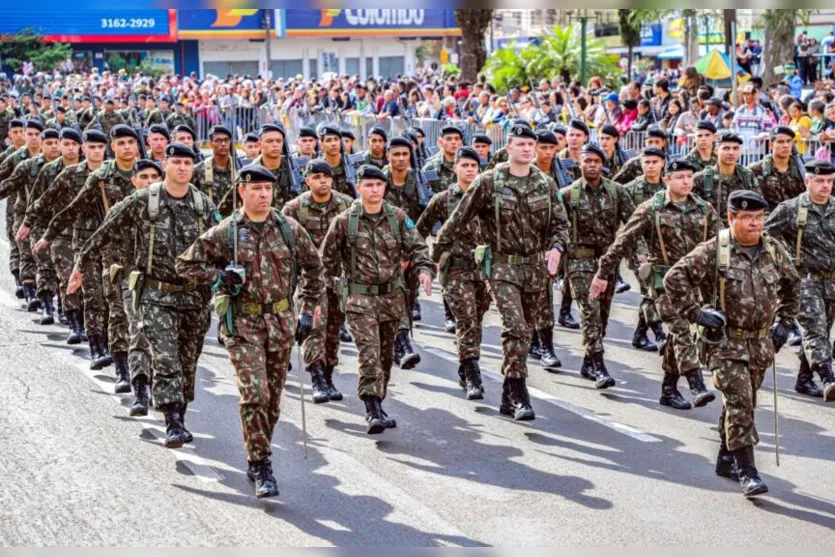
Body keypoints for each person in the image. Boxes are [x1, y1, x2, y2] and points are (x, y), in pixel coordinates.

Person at [176, 164, 324, 498]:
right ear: (242, 191)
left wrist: (306, 311)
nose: (263, 195)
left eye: (267, 189)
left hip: (281, 322)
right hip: (242, 324)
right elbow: (185, 263)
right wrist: (218, 277)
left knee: (271, 399)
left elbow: (315, 269)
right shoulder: (226, 231)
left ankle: (259, 447)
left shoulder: (289, 229)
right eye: (255, 189)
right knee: (254, 393)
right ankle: (261, 464)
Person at [68, 143, 218, 449]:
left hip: (193, 297)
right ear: (166, 164)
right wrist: (81, 265)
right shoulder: (143, 200)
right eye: (176, 162)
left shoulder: (204, 206)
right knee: (164, 358)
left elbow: (223, 245)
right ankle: (171, 420)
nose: (182, 168)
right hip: (155, 294)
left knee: (188, 362)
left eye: (187, 163)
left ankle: (180, 411)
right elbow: (106, 230)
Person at [664, 190, 799, 497]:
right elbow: (675, 278)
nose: (755, 224)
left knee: (744, 399)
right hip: (726, 344)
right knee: (741, 403)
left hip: (761, 344)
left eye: (759, 217)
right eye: (748, 218)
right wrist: (697, 313)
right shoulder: (716, 249)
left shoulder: (773, 249)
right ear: (731, 217)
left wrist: (785, 323)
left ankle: (726, 456)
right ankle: (747, 470)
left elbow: (793, 285)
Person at [435, 125, 570, 421]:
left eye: (530, 144)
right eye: (520, 144)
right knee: (516, 327)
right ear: (507, 148)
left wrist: (557, 248)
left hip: (535, 268)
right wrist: (431, 259)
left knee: (525, 331)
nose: (526, 149)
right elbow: (457, 220)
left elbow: (561, 224)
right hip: (501, 265)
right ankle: (521, 393)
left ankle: (509, 393)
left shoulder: (545, 183)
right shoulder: (488, 182)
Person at [593, 159, 719, 410]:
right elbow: (623, 240)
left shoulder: (704, 209)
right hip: (664, 283)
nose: (685, 182)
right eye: (679, 177)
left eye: (689, 177)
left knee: (678, 336)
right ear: (667, 180)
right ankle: (696, 383)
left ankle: (669, 389)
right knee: (682, 329)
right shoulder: (652, 208)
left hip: (695, 283)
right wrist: (603, 272)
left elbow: (721, 242)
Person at [320, 165, 434, 434]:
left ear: (384, 188)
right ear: (358, 188)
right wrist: (319, 297)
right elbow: (324, 263)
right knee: (369, 353)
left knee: (385, 357)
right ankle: (372, 409)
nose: (374, 190)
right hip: (359, 298)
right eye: (368, 185)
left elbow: (418, 247)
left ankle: (378, 402)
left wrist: (425, 270)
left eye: (379, 185)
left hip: (391, 298)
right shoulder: (344, 221)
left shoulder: (397, 218)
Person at [36, 125, 140, 372]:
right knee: (96, 299)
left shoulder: (145, 174)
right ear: (113, 147)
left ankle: (125, 360)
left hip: (134, 251)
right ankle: (98, 349)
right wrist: (48, 235)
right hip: (94, 247)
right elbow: (71, 209)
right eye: (121, 143)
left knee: (122, 309)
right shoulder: (100, 178)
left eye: (131, 142)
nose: (127, 147)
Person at [416, 147, 490, 399]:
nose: (470, 170)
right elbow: (419, 230)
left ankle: (464, 363)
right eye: (465, 165)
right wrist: (423, 262)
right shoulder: (443, 199)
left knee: (477, 320)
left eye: (474, 166)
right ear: (455, 168)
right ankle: (472, 374)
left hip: (483, 269)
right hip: (454, 269)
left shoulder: (488, 198)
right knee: (466, 319)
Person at [561, 144, 636, 387]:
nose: (592, 165)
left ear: (602, 164)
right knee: (589, 310)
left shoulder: (617, 192)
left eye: (596, 161)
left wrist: (640, 255)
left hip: (606, 262)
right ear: (579, 163)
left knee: (602, 314)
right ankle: (599, 365)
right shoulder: (568, 194)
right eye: (587, 161)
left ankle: (587, 361)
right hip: (579, 261)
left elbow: (633, 226)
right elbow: (556, 229)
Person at [26, 130, 107, 345]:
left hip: (102, 239)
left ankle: (98, 330)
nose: (96, 151)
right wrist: (30, 225)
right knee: (67, 279)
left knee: (100, 289)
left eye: (100, 147)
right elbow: (44, 201)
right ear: (85, 149)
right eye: (92, 146)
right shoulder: (69, 174)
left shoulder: (111, 174)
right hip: (65, 236)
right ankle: (75, 325)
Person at [763, 159, 835, 402]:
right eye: (820, 181)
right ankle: (828, 378)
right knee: (815, 330)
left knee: (822, 330)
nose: (825, 186)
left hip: (831, 282)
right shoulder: (791, 209)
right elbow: (764, 235)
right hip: (804, 281)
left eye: (829, 181)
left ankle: (804, 379)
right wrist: (782, 259)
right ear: (808, 181)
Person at [281, 159, 352, 403]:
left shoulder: (345, 204)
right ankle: (317, 377)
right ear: (307, 180)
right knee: (315, 325)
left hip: (337, 277)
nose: (323, 181)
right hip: (309, 277)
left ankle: (329, 374)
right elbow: (283, 244)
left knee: (334, 328)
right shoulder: (293, 208)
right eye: (317, 176)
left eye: (327, 176)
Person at [16, 128, 80, 325]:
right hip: (44, 224)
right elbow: (38, 200)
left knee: (66, 271)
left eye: (73, 144)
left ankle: (64, 308)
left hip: (74, 228)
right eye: (65, 144)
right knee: (45, 266)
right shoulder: (48, 170)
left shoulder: (86, 169)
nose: (69, 148)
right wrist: (27, 223)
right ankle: (46, 306)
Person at [382, 137, 427, 368]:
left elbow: (425, 219)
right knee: (394, 296)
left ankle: (398, 339)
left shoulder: (418, 181)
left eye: (404, 154)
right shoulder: (379, 180)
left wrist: (413, 254)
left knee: (408, 297)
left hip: (411, 248)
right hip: (383, 250)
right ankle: (402, 343)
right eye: (395, 154)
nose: (400, 159)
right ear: (388, 155)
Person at [0, 120, 44, 307]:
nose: (33, 138)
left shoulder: (49, 157)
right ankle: (25, 283)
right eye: (29, 134)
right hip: (19, 207)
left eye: (37, 134)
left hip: (44, 211)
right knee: (18, 244)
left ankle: (42, 289)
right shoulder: (15, 158)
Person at [692, 131, 761, 226]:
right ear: (716, 151)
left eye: (735, 148)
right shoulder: (701, 179)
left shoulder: (747, 176)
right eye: (726, 148)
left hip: (742, 231)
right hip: (713, 233)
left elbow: (758, 205)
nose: (731, 153)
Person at [748, 126, 806, 211]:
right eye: (780, 142)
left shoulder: (802, 170)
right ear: (771, 145)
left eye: (788, 141)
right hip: (767, 220)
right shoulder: (755, 170)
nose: (785, 145)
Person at [193, 125, 239, 208]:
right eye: (218, 141)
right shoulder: (199, 170)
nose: (223, 144)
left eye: (226, 140)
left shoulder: (238, 169)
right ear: (210, 144)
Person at [422, 125, 462, 194]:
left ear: (461, 142)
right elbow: (424, 192)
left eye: (457, 139)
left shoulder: (468, 164)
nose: (453, 142)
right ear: (441, 142)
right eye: (449, 139)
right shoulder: (431, 167)